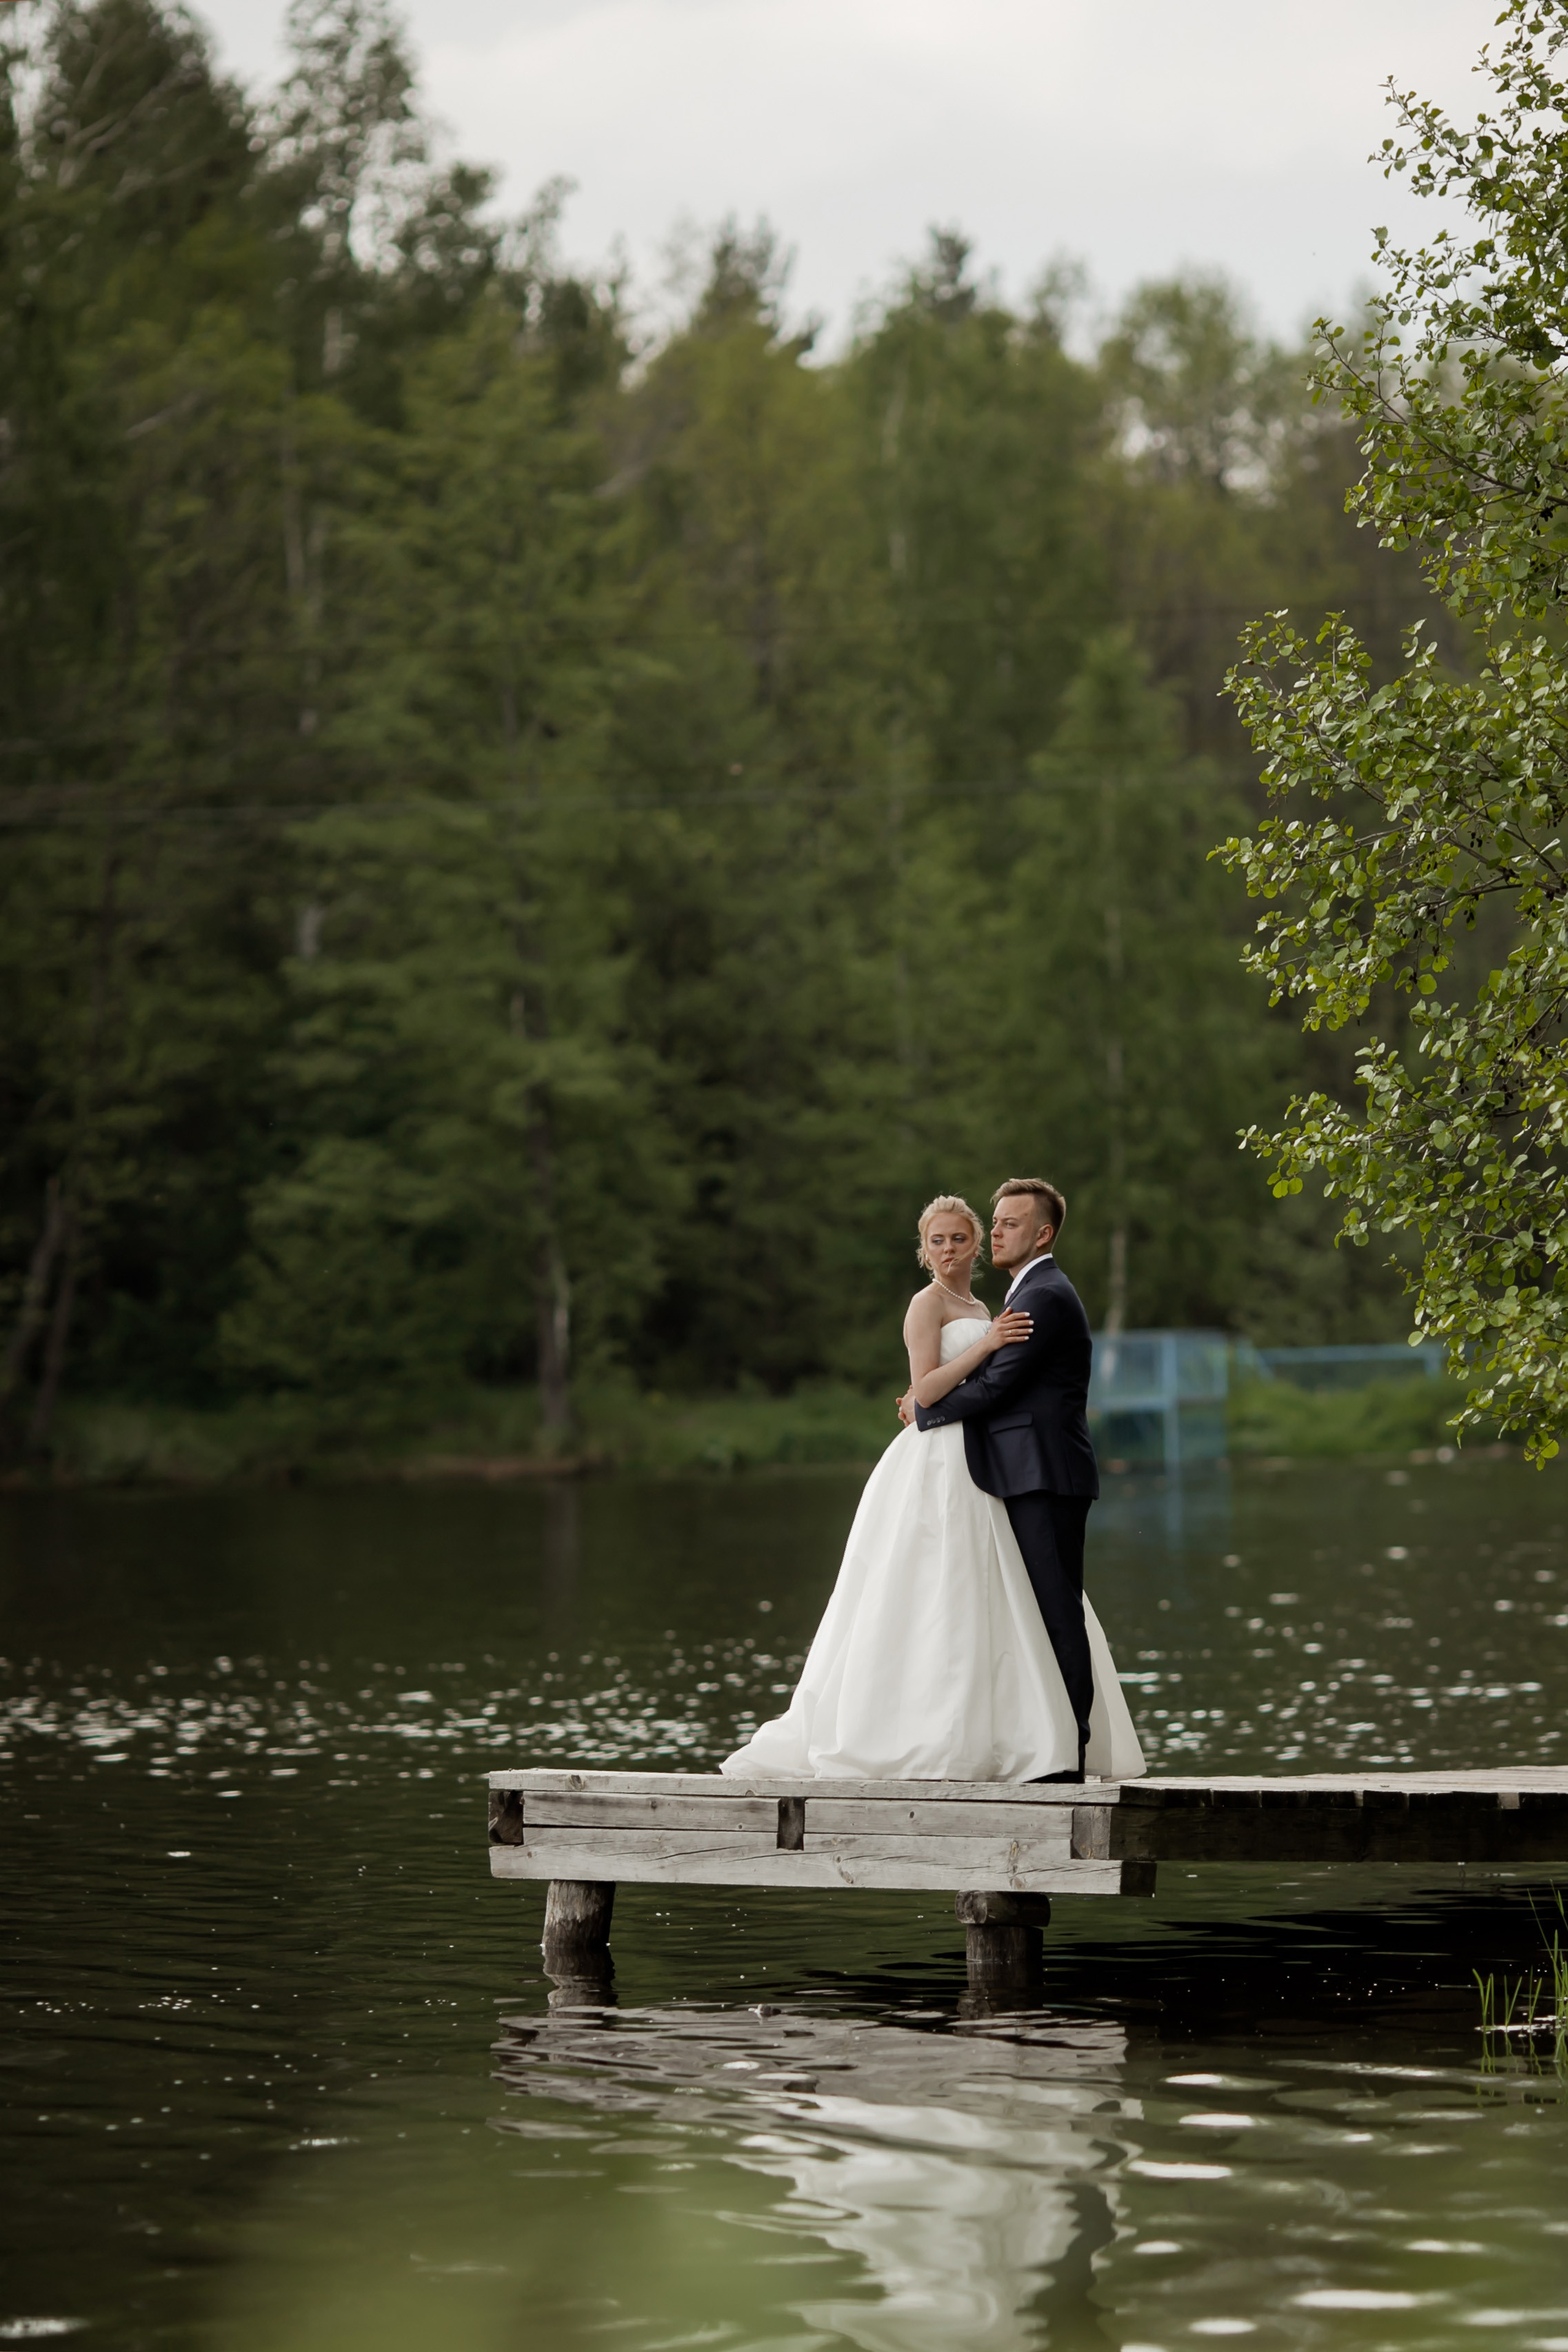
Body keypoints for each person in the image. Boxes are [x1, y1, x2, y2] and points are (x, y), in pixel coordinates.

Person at [720, 1191, 1144, 1783]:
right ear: (924, 1249)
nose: (960, 1245)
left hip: (997, 1465)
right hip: (950, 1462)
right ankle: (969, 1737)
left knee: (1016, 1604)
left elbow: (996, 1387)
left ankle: (1044, 1746)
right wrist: (945, 1386)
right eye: (939, 1239)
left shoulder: (1011, 1299)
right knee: (937, 1593)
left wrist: (937, 1395)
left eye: (967, 1235)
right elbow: (932, 1386)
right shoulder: (936, 1305)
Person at [911, 1178, 1103, 1781]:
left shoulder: (1042, 1295)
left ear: (1042, 1233)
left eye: (1008, 1224)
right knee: (1029, 1611)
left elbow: (996, 1386)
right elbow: (984, 1380)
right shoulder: (1024, 1291)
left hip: (1044, 1474)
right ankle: (1041, 1745)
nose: (995, 1232)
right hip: (1016, 1473)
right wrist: (926, 1396)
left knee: (1056, 1612)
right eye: (993, 1222)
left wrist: (922, 1409)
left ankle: (1068, 1755)